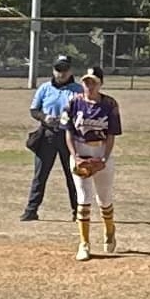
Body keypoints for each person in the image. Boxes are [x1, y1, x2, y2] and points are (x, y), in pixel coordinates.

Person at [64, 66, 122, 262]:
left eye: (93, 82)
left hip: (101, 151)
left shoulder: (110, 104)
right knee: (83, 197)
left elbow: (111, 134)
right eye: (86, 82)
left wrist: (104, 158)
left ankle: (109, 229)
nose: (89, 85)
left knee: (104, 198)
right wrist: (76, 156)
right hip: (80, 151)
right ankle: (84, 243)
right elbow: (69, 132)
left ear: (101, 83)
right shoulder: (73, 103)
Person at [21, 55, 82, 222]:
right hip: (47, 134)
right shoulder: (45, 88)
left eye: (64, 70)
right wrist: (44, 117)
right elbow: (34, 110)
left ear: (70, 70)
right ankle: (31, 210)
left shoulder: (78, 90)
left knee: (72, 175)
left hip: (68, 136)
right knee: (40, 175)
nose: (61, 73)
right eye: (58, 70)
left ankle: (78, 211)